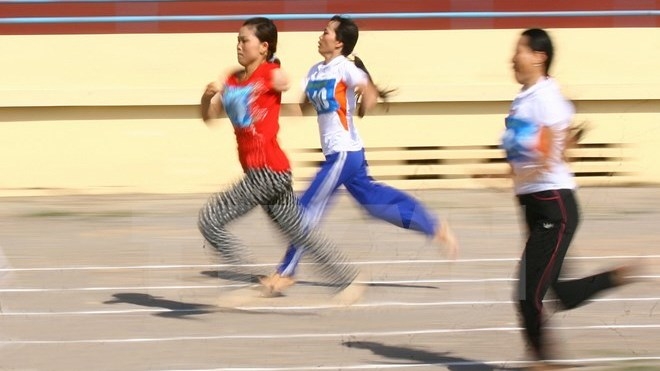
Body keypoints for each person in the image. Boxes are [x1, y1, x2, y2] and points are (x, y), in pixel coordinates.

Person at [260, 15, 459, 294]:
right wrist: (266, 107)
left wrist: (363, 98)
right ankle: (433, 225)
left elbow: (370, 95)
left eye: (326, 31)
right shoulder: (315, 71)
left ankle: (286, 271)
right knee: (375, 203)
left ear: (339, 42)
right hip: (343, 155)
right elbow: (302, 109)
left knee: (307, 207)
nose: (321, 35)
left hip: (344, 153)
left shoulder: (346, 69)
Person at [198, 17, 362, 300]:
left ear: (263, 47)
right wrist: (207, 96)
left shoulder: (269, 72)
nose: (238, 45)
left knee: (209, 219)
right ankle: (349, 280)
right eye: (237, 40)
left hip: (267, 172)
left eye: (244, 40)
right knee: (301, 233)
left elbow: (282, 80)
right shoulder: (232, 79)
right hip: (271, 173)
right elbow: (209, 117)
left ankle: (250, 279)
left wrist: (282, 78)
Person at [502, 28, 637, 368]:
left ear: (539, 56)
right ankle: (614, 277)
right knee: (558, 291)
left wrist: (511, 174)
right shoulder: (525, 97)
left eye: (519, 50)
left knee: (527, 294)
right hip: (534, 205)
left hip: (554, 205)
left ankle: (544, 363)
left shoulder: (547, 98)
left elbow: (549, 159)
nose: (512, 57)